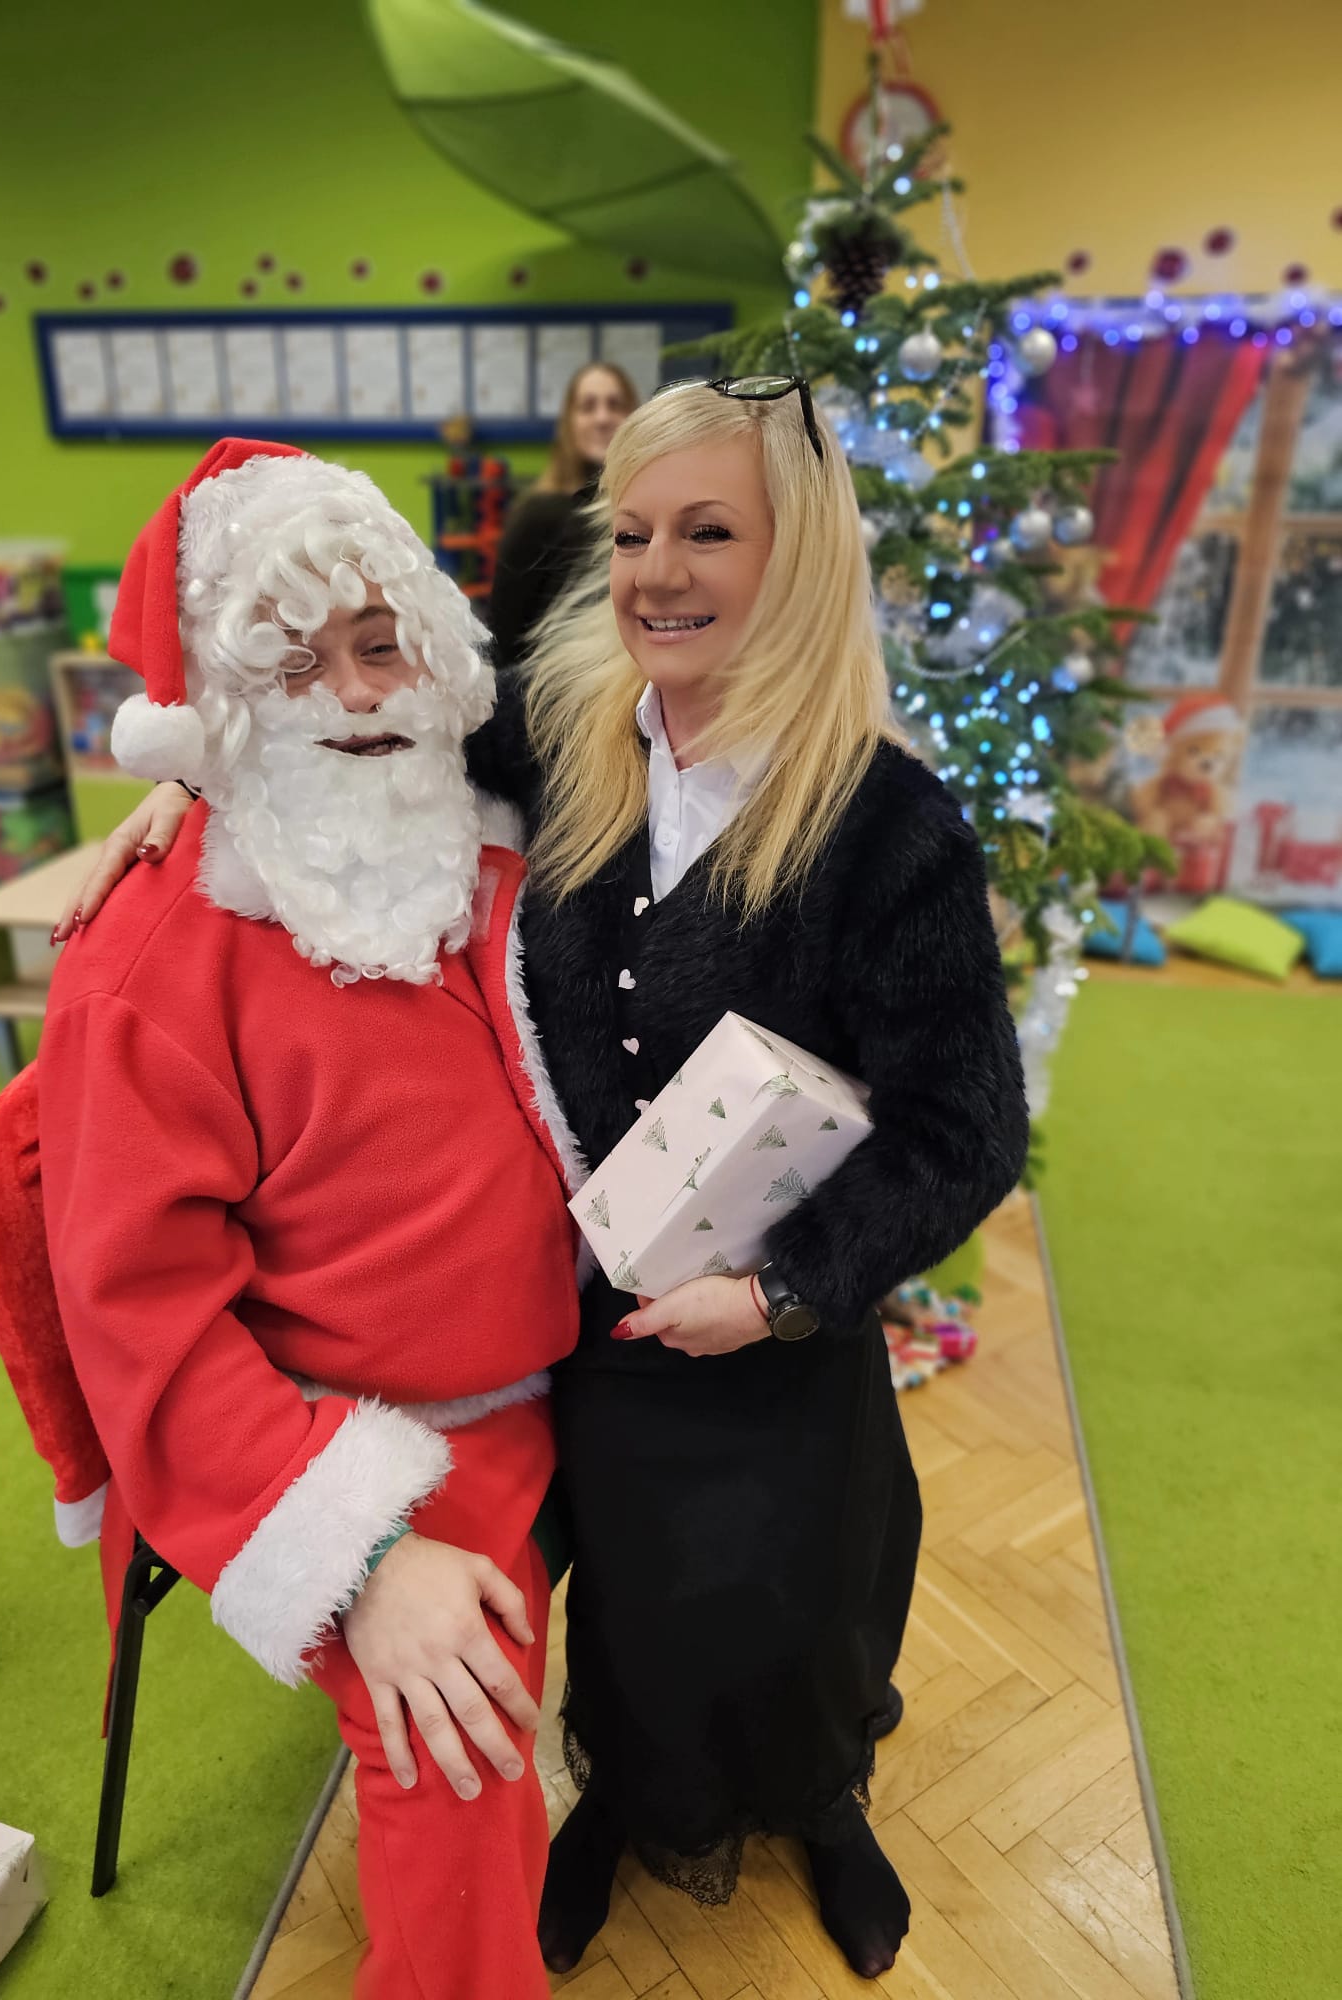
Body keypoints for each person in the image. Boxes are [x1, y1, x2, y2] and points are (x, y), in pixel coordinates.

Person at [57, 380, 1029, 1982]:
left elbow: (966, 1127)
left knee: (795, 1600)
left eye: (708, 532)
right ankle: (624, 1804)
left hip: (775, 1323)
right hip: (579, 1330)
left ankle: (821, 1805)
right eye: (633, 532)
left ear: (797, 557)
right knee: (638, 1606)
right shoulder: (566, 738)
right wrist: (194, 777)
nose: (658, 571)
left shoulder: (885, 826)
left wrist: (783, 1292)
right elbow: (347, 726)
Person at [37, 438, 582, 2000]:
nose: (351, 695)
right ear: (220, 709)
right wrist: (369, 1555)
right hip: (353, 1442)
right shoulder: (149, 970)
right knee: (460, 1747)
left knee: (764, 1552)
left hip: (581, 1372)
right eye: (291, 663)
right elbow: (141, 1323)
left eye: (377, 642)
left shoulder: (488, 843)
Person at [488, 361, 637, 673]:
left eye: (614, 405)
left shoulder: (647, 511)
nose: (602, 418)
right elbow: (503, 640)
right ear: (569, 423)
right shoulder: (538, 516)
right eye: (587, 406)